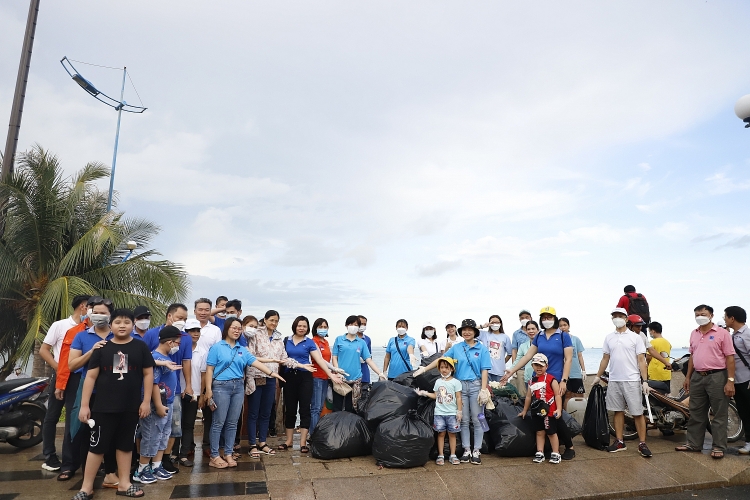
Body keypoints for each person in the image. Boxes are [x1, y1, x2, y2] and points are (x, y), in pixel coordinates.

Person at [73, 308, 155, 500]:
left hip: (130, 407)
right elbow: (90, 377)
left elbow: (148, 374)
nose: (122, 325)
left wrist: (145, 401)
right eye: (118, 322)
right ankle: (86, 488)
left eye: (127, 322)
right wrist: (85, 405)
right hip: (103, 407)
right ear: (111, 325)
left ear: (133, 325)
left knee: (126, 445)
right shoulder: (102, 348)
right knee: (97, 446)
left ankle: (124, 484)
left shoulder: (140, 347)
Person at [205, 318, 285, 468]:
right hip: (221, 387)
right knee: (218, 423)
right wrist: (208, 390)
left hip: (238, 387)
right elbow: (209, 369)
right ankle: (214, 456)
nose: (236, 331)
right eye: (233, 328)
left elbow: (256, 362)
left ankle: (228, 454)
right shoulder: (217, 347)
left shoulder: (242, 349)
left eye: (238, 328)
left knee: (232, 423)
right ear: (227, 329)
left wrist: (272, 373)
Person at [500, 306, 576, 460]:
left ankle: (569, 447)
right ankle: (546, 447)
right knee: (543, 415)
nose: (547, 320)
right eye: (544, 318)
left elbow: (568, 359)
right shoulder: (539, 336)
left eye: (549, 317)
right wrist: (512, 370)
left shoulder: (562, 336)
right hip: (539, 381)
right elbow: (528, 356)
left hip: (555, 381)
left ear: (555, 318)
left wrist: (564, 380)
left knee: (556, 416)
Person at [417, 319, 491, 465]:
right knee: (462, 419)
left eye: (470, 329)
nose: (467, 332)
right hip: (460, 386)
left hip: (476, 386)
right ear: (461, 332)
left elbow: (484, 370)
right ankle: (466, 449)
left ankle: (477, 450)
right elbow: (441, 359)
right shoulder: (457, 348)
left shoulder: (482, 349)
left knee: (477, 419)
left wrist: (483, 389)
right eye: (464, 330)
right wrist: (424, 369)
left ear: (475, 332)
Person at [68, 297, 121, 488]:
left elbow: (121, 367)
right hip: (89, 391)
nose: (98, 316)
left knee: (110, 434)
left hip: (112, 392)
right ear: (89, 312)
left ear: (110, 315)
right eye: (95, 312)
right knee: (85, 433)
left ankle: (110, 473)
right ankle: (86, 477)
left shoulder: (117, 336)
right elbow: (72, 365)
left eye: (103, 313)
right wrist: (92, 351)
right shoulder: (82, 336)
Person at [676, 305, 736, 459]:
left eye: (703, 314)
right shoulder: (694, 333)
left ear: (711, 315)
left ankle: (718, 446)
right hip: (697, 376)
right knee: (696, 412)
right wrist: (688, 377)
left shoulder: (722, 334)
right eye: (697, 314)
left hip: (717, 376)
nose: (700, 316)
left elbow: (730, 357)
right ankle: (694, 444)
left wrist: (730, 381)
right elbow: (692, 357)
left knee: (719, 413)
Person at [39, 294, 90, 473]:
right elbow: (44, 350)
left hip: (78, 376)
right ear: (83, 306)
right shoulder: (60, 325)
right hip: (60, 375)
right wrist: (59, 368)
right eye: (91, 307)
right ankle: (49, 455)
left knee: (73, 416)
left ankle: (74, 459)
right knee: (52, 416)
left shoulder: (89, 328)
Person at [592, 308, 652, 457]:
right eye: (614, 316)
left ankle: (642, 443)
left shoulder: (635, 337)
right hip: (614, 379)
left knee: (637, 412)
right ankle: (619, 441)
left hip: (632, 379)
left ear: (626, 319)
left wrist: (645, 380)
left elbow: (641, 360)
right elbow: (605, 358)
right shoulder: (609, 337)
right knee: (617, 411)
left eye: (620, 316)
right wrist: (598, 376)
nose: (617, 318)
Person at [245, 310, 304, 458]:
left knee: (266, 412)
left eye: (276, 321)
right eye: (271, 320)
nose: (274, 323)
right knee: (253, 412)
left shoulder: (278, 338)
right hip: (256, 376)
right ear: (264, 320)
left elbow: (284, 358)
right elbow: (250, 356)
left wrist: (301, 366)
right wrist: (271, 361)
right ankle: (252, 444)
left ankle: (262, 442)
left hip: (272, 379)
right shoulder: (256, 334)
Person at [278, 316, 343, 453]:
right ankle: (289, 441)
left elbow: (319, 359)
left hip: (305, 378)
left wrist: (331, 373)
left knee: (305, 409)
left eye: (304, 326)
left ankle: (303, 442)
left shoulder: (309, 342)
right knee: (290, 409)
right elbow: (281, 359)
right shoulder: (286, 341)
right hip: (289, 377)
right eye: (299, 325)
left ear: (308, 329)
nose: (301, 328)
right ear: (295, 326)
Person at [143, 303, 192, 474]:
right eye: (180, 318)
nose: (183, 322)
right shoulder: (151, 334)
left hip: (173, 392)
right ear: (169, 316)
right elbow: (145, 358)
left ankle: (162, 460)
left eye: (185, 319)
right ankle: (143, 465)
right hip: (155, 393)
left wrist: (189, 385)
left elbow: (186, 361)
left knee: (170, 428)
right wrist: (161, 363)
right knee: (151, 430)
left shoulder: (185, 338)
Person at [134, 326, 182, 484]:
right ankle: (142, 468)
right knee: (151, 436)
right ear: (169, 342)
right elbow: (153, 384)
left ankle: (156, 464)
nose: (178, 346)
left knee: (163, 435)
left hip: (167, 402)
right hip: (157, 405)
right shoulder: (155, 358)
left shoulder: (166, 358)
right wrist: (158, 405)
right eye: (177, 343)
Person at [331, 316, 387, 412]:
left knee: (351, 408)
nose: (353, 326)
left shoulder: (361, 342)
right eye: (351, 324)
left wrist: (379, 373)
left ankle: (348, 426)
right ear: (346, 325)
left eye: (356, 325)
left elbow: (368, 359)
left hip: (355, 380)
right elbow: (334, 357)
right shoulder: (339, 339)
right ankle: (335, 426)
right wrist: (337, 371)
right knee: (337, 407)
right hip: (340, 379)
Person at [519, 353, 563, 464]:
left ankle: (556, 452)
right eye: (536, 365)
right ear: (532, 366)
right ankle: (540, 452)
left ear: (546, 366)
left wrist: (559, 409)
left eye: (541, 365)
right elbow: (528, 396)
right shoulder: (532, 381)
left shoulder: (551, 379)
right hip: (537, 411)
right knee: (539, 432)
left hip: (550, 411)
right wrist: (525, 410)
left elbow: (557, 395)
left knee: (551, 432)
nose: (539, 368)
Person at [418, 357, 462, 466]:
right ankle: (441, 455)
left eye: (446, 368)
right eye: (442, 367)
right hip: (439, 413)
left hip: (452, 413)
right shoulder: (438, 382)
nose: (444, 370)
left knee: (452, 434)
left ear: (452, 369)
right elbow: (436, 395)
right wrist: (425, 393)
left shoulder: (456, 382)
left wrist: (459, 411)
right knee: (441, 434)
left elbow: (459, 398)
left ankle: (453, 455)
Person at [194, 298, 223, 454]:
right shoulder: (187, 326)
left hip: (210, 374)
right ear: (195, 311)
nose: (203, 312)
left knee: (209, 413)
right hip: (189, 375)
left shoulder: (215, 330)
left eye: (207, 309)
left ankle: (207, 445)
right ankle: (187, 447)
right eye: (200, 309)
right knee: (188, 414)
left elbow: (218, 353)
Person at [177, 319, 207, 466]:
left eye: (197, 331)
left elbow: (203, 375)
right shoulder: (177, 349)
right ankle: (172, 454)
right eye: (191, 331)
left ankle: (184, 454)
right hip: (177, 391)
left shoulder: (202, 352)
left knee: (188, 424)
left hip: (193, 392)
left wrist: (201, 394)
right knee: (175, 424)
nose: (195, 334)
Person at [724, 306, 750, 454]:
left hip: (747, 379)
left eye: (725, 317)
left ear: (732, 318)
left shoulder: (747, 334)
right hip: (738, 380)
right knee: (744, 411)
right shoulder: (732, 335)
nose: (724, 319)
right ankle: (748, 441)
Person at [310, 318, 332, 433]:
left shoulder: (326, 342)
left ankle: (318, 432)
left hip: (325, 377)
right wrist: (333, 369)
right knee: (316, 407)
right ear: (315, 328)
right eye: (320, 327)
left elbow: (328, 359)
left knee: (322, 406)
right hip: (316, 377)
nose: (323, 329)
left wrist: (333, 372)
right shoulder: (313, 341)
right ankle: (313, 434)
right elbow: (320, 359)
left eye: (325, 327)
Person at [559, 317, 586, 410]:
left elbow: (579, 356)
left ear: (568, 326)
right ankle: (567, 419)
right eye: (560, 326)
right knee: (567, 396)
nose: (563, 327)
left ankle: (579, 418)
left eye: (565, 325)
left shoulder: (575, 339)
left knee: (579, 396)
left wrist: (583, 370)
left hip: (576, 373)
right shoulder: (558, 340)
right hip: (564, 374)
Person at [478, 315, 512, 382]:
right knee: (487, 390)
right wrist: (483, 326)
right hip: (486, 370)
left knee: (499, 390)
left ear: (500, 323)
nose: (495, 324)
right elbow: (470, 331)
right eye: (493, 322)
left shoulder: (505, 337)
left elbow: (510, 353)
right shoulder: (485, 334)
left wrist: (503, 362)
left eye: (497, 322)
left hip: (499, 371)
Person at [511, 320, 540, 395]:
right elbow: (518, 360)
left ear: (538, 330)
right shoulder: (523, 346)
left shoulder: (542, 344)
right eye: (528, 329)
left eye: (533, 329)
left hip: (541, 378)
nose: (531, 331)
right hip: (528, 378)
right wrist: (511, 371)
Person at [646, 321, 672, 395]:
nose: (649, 333)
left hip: (654, 373)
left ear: (653, 331)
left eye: (649, 331)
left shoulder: (652, 342)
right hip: (666, 373)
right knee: (665, 395)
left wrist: (647, 368)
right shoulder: (667, 342)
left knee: (654, 395)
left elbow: (648, 357)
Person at [356, 315, 373, 398]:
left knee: (364, 398)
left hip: (364, 373)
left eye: (364, 324)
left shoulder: (367, 339)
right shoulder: (351, 338)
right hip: (353, 374)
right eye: (360, 323)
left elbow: (370, 356)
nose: (362, 326)